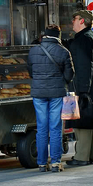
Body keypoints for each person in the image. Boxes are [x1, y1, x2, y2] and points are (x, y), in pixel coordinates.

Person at [27, 24, 74, 172]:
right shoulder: (64, 52)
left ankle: (41, 163)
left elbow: (31, 71)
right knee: (55, 128)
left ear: (45, 35)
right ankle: (55, 162)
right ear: (58, 36)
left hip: (39, 94)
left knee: (41, 128)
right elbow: (69, 75)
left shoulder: (33, 51)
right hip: (56, 94)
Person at [64, 10, 93, 166]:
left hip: (81, 89)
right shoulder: (88, 37)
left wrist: (83, 92)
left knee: (82, 124)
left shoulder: (83, 40)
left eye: (74, 18)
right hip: (90, 90)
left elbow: (83, 67)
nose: (72, 21)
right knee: (92, 122)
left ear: (82, 21)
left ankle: (81, 157)